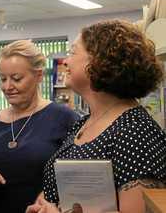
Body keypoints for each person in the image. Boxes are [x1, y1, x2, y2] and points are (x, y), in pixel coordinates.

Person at [26, 19, 166, 213]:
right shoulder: (83, 123)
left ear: (100, 61)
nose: (66, 61)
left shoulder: (135, 130)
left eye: (73, 52)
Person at [0, 40, 79, 213]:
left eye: (16, 79)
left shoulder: (64, 119)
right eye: (3, 79)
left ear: (38, 76)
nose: (8, 87)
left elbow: (79, 178)